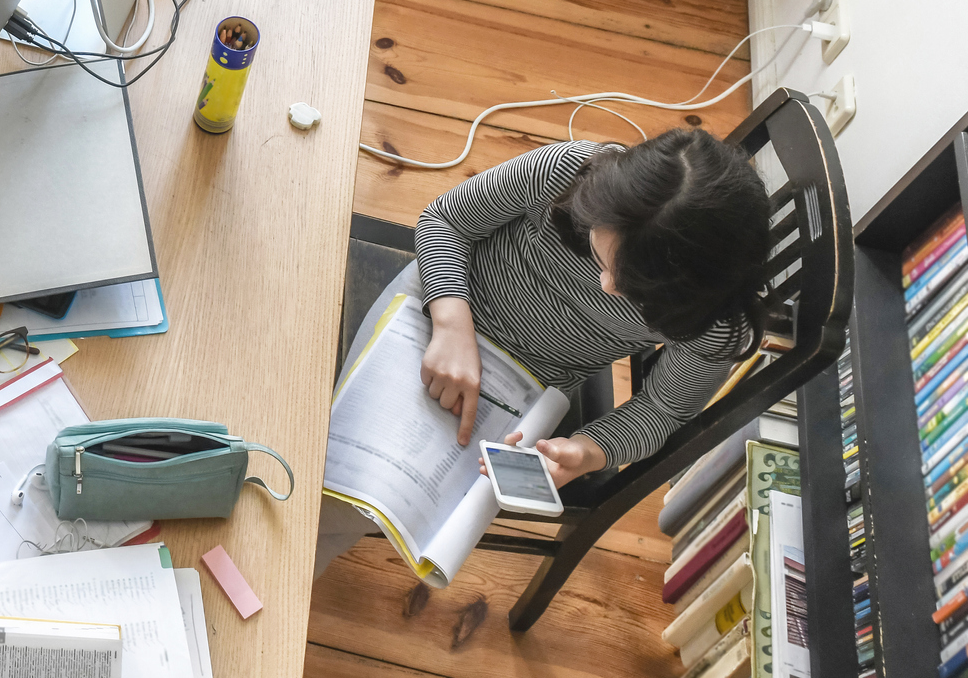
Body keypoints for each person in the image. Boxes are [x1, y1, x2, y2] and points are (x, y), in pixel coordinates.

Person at [313, 129, 771, 579]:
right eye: (603, 256)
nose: (606, 287)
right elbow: (445, 222)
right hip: (447, 303)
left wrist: (588, 450)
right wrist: (452, 325)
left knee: (353, 497)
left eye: (635, 290)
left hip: (526, 389)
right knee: (327, 451)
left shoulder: (714, 321)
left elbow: (663, 410)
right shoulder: (568, 171)